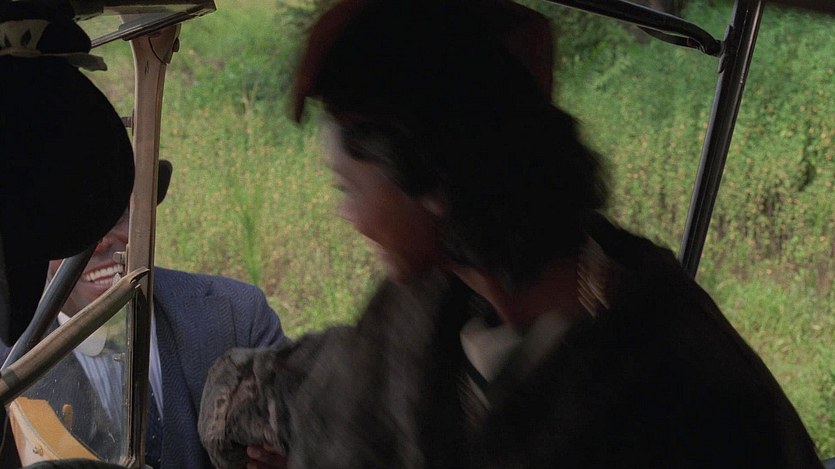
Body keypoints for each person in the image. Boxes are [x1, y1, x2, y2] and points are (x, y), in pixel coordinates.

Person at [198, 1, 824, 468]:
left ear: (429, 176)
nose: (347, 217)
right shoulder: (432, 305)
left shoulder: (683, 395)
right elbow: (285, 393)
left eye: (346, 186)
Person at [2, 161, 289, 469]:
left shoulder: (237, 318)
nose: (99, 241)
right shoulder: (9, 366)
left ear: (143, 215)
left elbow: (307, 434)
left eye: (113, 213)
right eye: (69, 223)